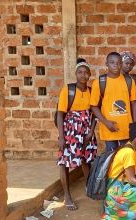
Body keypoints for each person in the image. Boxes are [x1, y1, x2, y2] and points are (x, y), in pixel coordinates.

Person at [56, 59, 97, 210]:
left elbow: (94, 113)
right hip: (70, 131)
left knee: (87, 159)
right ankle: (67, 195)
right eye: (80, 72)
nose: (83, 75)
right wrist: (61, 137)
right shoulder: (68, 90)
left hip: (86, 131)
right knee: (65, 162)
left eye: (86, 73)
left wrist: (91, 131)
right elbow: (60, 114)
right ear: (75, 74)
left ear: (90, 75)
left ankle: (89, 187)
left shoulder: (92, 91)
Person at [90, 52, 136, 151]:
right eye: (112, 62)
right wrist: (106, 123)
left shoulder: (129, 81)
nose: (115, 65)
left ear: (121, 64)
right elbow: (94, 106)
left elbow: (134, 103)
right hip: (109, 128)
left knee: (126, 158)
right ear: (106, 64)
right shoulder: (99, 82)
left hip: (126, 128)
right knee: (112, 158)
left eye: (118, 62)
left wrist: (135, 124)